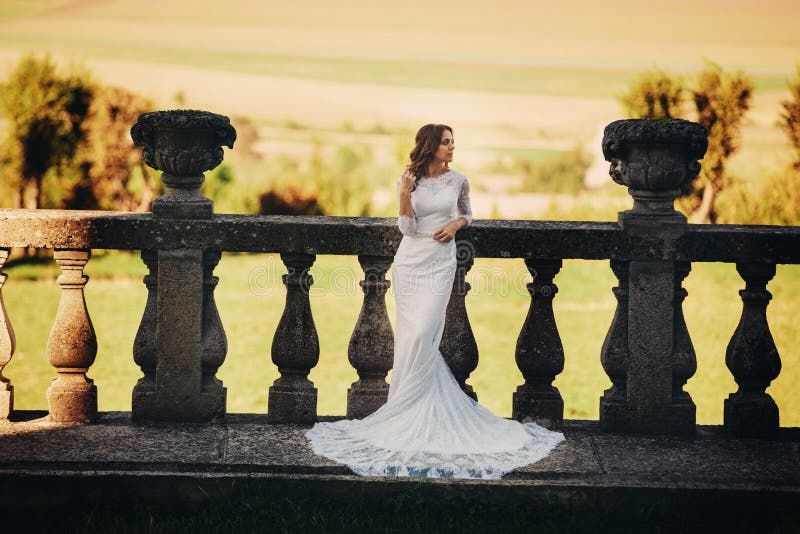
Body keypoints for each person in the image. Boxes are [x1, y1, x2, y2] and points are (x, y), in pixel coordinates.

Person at [305, 124, 565, 479]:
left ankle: (419, 407)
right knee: (411, 336)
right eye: (445, 142)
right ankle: (405, 409)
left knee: (426, 329)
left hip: (440, 263)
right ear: (430, 145)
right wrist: (405, 193)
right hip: (411, 263)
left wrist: (456, 226)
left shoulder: (458, 180)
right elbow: (407, 229)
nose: (451, 147)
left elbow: (468, 213)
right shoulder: (409, 179)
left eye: (453, 142)